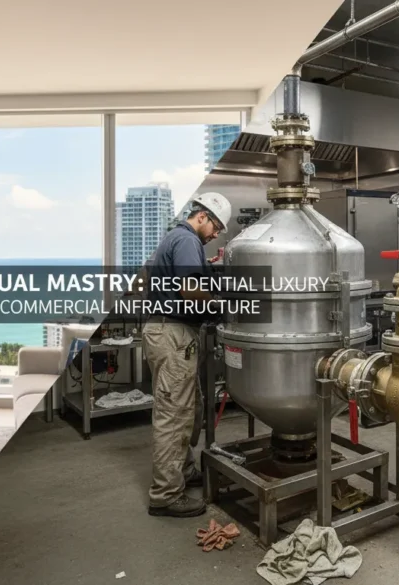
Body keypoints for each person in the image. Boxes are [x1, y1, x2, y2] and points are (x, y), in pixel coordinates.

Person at [140, 192, 231, 518]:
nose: (216, 234)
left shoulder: (176, 239)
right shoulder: (187, 240)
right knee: (174, 414)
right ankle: (165, 494)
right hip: (172, 333)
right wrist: (222, 304)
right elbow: (189, 289)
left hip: (170, 332)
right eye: (216, 226)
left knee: (188, 406)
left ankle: (184, 470)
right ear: (202, 216)